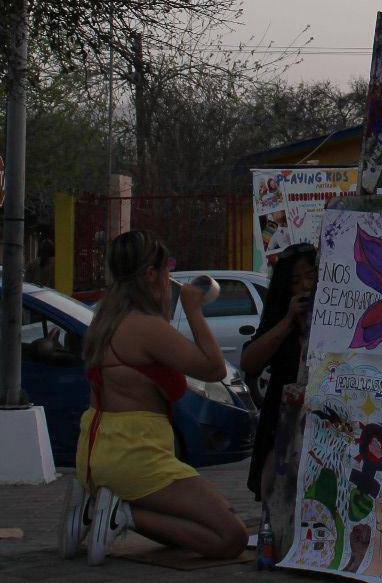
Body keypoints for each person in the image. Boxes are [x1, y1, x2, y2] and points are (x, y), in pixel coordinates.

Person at [62, 229, 247, 564]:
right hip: (135, 456)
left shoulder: (106, 319)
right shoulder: (144, 327)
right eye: (167, 269)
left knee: (193, 524)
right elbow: (213, 368)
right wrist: (193, 309)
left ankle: (97, 508)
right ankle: (121, 514)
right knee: (230, 536)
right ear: (150, 274)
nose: (170, 278)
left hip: (97, 452)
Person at [241, 246, 316, 502]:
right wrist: (288, 321)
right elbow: (250, 362)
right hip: (282, 424)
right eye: (295, 281)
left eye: (311, 276)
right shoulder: (281, 319)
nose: (305, 286)